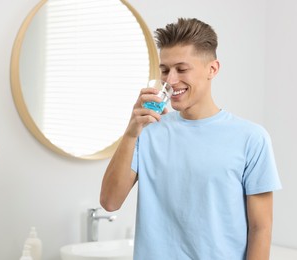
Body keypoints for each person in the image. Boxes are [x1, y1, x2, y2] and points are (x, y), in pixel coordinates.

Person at [100, 18, 282, 260]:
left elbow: (261, 229)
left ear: (212, 69)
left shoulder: (251, 138)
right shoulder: (148, 131)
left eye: (182, 69)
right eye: (164, 70)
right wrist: (131, 131)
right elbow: (110, 202)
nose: (170, 80)